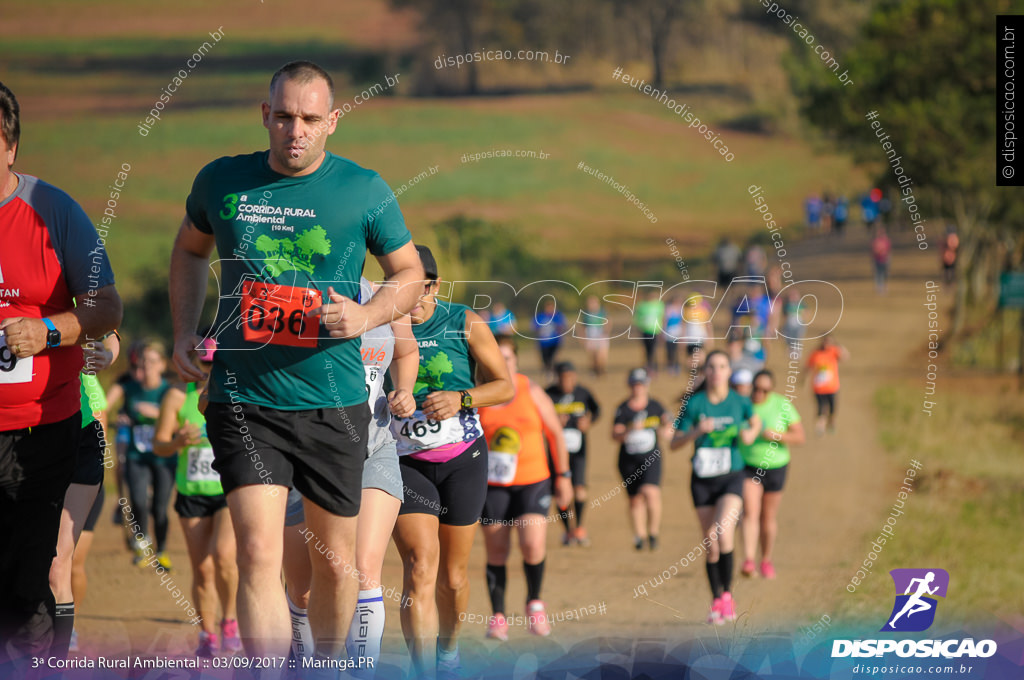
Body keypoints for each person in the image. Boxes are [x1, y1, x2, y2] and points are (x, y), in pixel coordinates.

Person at [168, 60, 424, 665]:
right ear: (265, 115)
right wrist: (184, 330)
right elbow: (188, 248)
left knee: (335, 569)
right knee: (258, 554)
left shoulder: (363, 189)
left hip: (333, 404)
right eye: (284, 116)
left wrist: (366, 317)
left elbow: (410, 275)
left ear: (332, 121)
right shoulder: (222, 182)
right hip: (244, 397)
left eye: (310, 118)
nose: (295, 130)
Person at [0, 81, 122, 669]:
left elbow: (106, 307)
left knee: (28, 579)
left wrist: (47, 332)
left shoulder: (54, 211)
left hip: (40, 427)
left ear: (11, 147)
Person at [282, 276, 419, 677]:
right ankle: (307, 667)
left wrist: (405, 390)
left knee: (363, 572)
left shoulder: (385, 294)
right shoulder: (296, 291)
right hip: (305, 454)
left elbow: (406, 353)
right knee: (304, 587)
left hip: (373, 447)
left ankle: (362, 671)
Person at [389, 245, 513, 679]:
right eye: (397, 286)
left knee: (454, 579)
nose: (409, 298)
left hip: (463, 458)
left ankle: (448, 650)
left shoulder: (464, 322)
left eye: (417, 288)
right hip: (403, 461)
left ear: (434, 285)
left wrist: (462, 398)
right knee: (421, 565)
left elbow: (504, 386)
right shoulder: (381, 323)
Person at [478, 336, 572, 640]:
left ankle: (535, 604)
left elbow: (556, 434)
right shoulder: (481, 394)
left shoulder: (531, 391)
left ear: (516, 360)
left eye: (508, 357)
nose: (503, 363)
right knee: (497, 551)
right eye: (497, 357)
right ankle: (498, 617)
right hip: (493, 486)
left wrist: (565, 476)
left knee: (532, 544)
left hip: (534, 480)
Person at [153, 337, 242, 657]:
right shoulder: (178, 395)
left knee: (223, 556)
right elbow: (158, 444)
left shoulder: (235, 390)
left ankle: (229, 621)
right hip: (192, 492)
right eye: (203, 362)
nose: (209, 369)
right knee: (202, 569)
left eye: (214, 362)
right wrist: (177, 441)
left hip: (227, 490)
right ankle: (208, 634)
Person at [670, 350, 761, 625]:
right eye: (712, 367)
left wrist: (750, 432)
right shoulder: (694, 404)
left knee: (723, 531)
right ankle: (716, 600)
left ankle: (728, 597)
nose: (717, 371)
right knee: (710, 543)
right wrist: (697, 431)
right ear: (706, 372)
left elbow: (755, 420)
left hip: (731, 475)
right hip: (702, 479)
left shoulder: (739, 402)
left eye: (722, 366)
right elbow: (674, 443)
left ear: (728, 372)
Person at [48, 333, 119, 658]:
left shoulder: (77, 286)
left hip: (79, 434)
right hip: (17, 434)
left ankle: (54, 663)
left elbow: (109, 329)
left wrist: (106, 353)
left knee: (57, 566)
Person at [106, 340, 175, 568]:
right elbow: (108, 407)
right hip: (137, 456)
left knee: (159, 507)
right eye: (144, 361)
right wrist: (121, 419)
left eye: (153, 361)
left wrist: (157, 414)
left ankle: (162, 550)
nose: (147, 366)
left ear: (162, 365)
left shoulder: (169, 391)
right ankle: (143, 547)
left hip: (163, 457)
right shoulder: (130, 387)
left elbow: (182, 420)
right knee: (137, 500)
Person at [740, 370, 804, 579]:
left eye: (764, 390)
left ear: (771, 390)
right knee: (750, 511)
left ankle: (766, 560)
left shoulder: (781, 405)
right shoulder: (743, 405)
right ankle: (749, 560)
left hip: (776, 466)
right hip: (748, 465)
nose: (759, 393)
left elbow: (799, 436)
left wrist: (776, 435)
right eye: (756, 388)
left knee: (767, 517)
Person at [612, 368, 673, 552]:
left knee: (651, 492)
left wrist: (666, 430)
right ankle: (640, 536)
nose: (638, 388)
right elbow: (614, 434)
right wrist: (630, 429)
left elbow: (669, 423)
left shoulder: (655, 406)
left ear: (647, 385)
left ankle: (653, 533)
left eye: (641, 384)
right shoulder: (623, 409)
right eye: (634, 385)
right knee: (635, 499)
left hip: (651, 457)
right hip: (628, 459)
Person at [546, 361, 600, 546]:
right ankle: (567, 531)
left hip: (579, 451)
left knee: (579, 490)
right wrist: (553, 422)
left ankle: (579, 528)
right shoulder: (548, 394)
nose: (567, 382)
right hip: (556, 451)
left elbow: (597, 410)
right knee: (561, 492)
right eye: (563, 378)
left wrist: (588, 421)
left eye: (570, 377)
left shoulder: (583, 393)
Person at [806, 336, 849, 435]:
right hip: (818, 387)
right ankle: (820, 427)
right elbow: (808, 366)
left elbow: (845, 357)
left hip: (832, 387)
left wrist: (838, 345)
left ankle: (831, 422)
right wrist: (803, 379)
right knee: (821, 408)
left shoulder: (834, 351)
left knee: (832, 408)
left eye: (828, 342)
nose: (826, 344)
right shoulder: (815, 354)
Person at [532, 298, 567, 380]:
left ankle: (553, 372)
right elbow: (535, 327)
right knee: (545, 358)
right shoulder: (540, 316)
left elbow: (562, 327)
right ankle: (548, 371)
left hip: (555, 341)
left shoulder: (558, 316)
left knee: (553, 358)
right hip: (543, 342)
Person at [578, 295, 609, 377]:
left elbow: (608, 322)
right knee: (592, 355)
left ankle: (601, 369)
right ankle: (594, 370)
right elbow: (582, 326)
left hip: (600, 336)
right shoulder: (586, 314)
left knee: (601, 355)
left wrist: (606, 331)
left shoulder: (602, 312)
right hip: (590, 337)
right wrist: (582, 337)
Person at [634, 288, 664, 373]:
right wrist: (639, 328)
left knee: (653, 349)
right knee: (646, 349)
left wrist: (662, 330)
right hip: (644, 330)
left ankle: (654, 366)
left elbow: (662, 317)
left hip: (655, 331)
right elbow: (637, 318)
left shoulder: (659, 305)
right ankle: (648, 365)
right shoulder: (641, 305)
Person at [871, 226, 892, 294]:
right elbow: (874, 250)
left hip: (885, 260)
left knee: (884, 274)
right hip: (877, 260)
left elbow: (888, 250)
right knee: (878, 274)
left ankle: (883, 287)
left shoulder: (886, 241)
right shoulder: (876, 241)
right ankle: (879, 288)